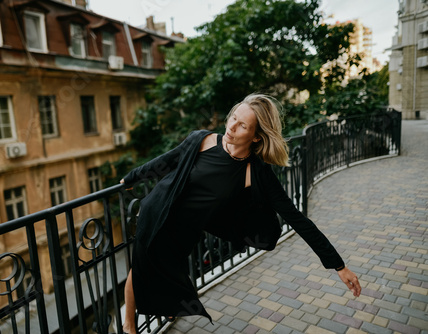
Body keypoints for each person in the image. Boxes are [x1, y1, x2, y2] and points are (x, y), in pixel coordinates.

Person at [120, 93, 361, 334]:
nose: (231, 127)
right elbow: (168, 160)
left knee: (170, 269)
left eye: (242, 125)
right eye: (233, 118)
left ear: (256, 136)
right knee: (141, 266)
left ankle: (164, 307)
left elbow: (296, 218)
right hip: (158, 212)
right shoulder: (202, 140)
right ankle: (129, 326)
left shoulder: (255, 172)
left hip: (186, 231)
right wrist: (131, 178)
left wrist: (338, 265)